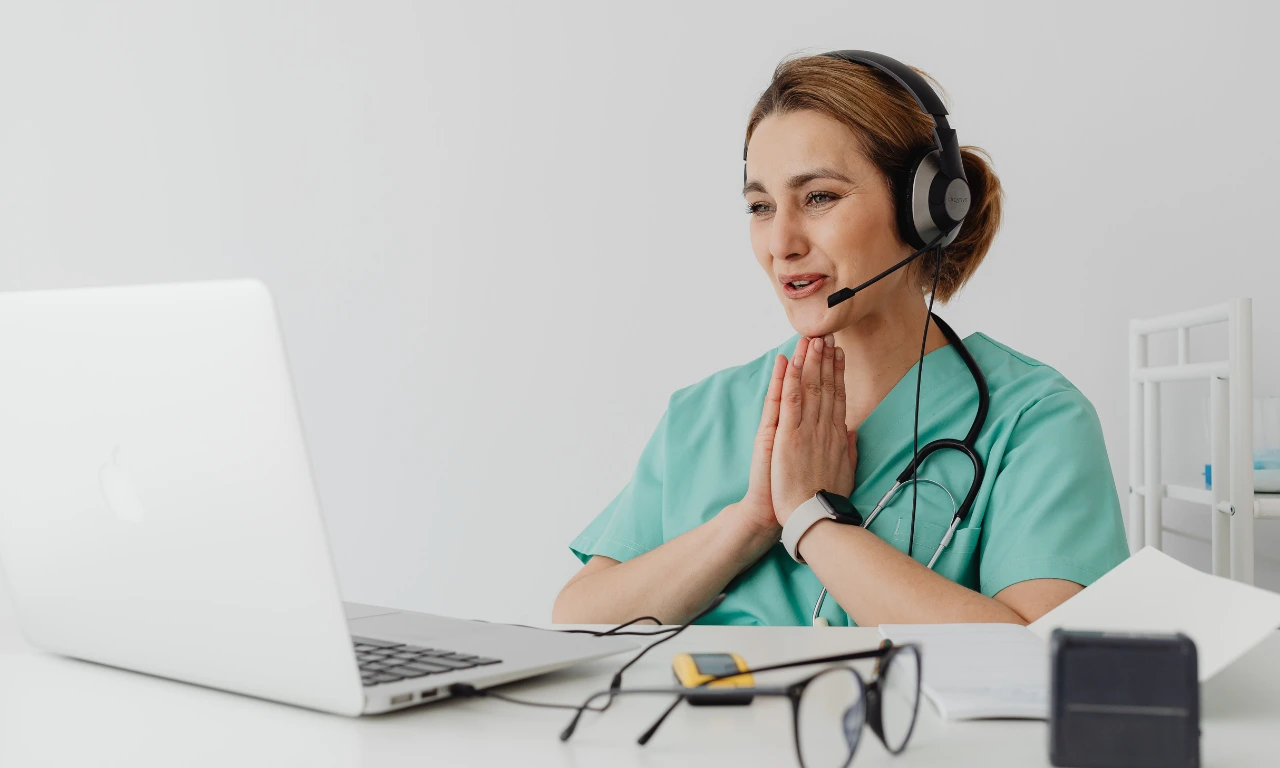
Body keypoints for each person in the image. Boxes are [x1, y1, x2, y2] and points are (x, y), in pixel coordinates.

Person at [551, 53, 1129, 627]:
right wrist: (752, 521)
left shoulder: (1034, 420)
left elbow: (1043, 667)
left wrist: (812, 520)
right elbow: (577, 619)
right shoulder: (703, 415)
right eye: (760, 206)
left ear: (924, 209)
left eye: (819, 197)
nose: (781, 242)